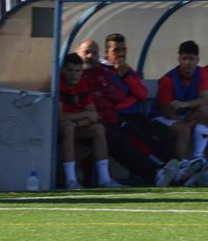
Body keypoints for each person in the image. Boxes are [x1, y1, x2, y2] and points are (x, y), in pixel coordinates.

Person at [76, 39, 178, 187]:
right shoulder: (76, 74)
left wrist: (124, 76)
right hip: (97, 121)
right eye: (86, 52)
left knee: (157, 131)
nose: (90, 56)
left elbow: (130, 94)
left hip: (114, 118)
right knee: (124, 139)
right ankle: (156, 172)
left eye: (93, 53)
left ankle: (175, 168)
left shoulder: (105, 72)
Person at [57, 53, 123, 189]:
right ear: (63, 70)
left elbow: (94, 115)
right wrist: (84, 115)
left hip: (76, 125)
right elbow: (60, 116)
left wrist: (79, 122)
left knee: (98, 129)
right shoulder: (58, 84)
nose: (74, 75)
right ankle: (71, 181)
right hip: (54, 130)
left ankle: (105, 179)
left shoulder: (81, 84)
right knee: (68, 127)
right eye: (70, 70)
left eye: (77, 71)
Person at [153, 40, 208, 184]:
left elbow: (205, 99)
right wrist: (185, 123)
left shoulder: (201, 73)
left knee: (205, 111)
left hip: (183, 116)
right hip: (160, 118)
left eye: (191, 59)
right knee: (183, 129)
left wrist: (185, 104)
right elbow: (165, 110)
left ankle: (198, 157)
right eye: (184, 58)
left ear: (197, 60)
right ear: (179, 59)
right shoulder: (168, 79)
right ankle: (182, 167)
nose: (187, 63)